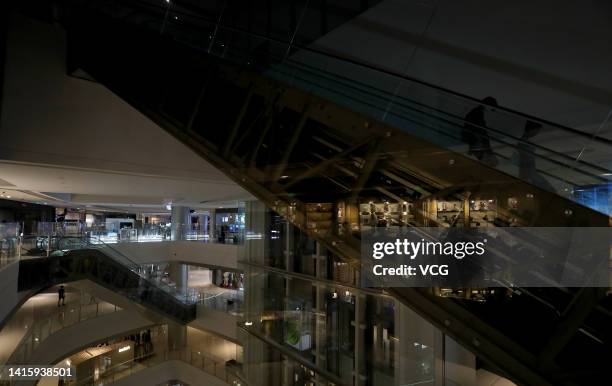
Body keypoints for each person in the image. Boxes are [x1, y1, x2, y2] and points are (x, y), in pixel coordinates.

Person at [517, 120, 555, 192]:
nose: (537, 132)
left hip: (529, 172)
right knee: (550, 190)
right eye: (537, 130)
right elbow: (525, 159)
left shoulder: (523, 141)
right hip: (529, 172)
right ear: (532, 129)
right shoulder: (524, 142)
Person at [462, 96, 498, 166]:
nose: (492, 109)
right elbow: (479, 130)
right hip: (477, 141)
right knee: (492, 162)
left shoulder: (476, 112)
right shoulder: (478, 113)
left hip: (476, 141)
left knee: (490, 161)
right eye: (492, 107)